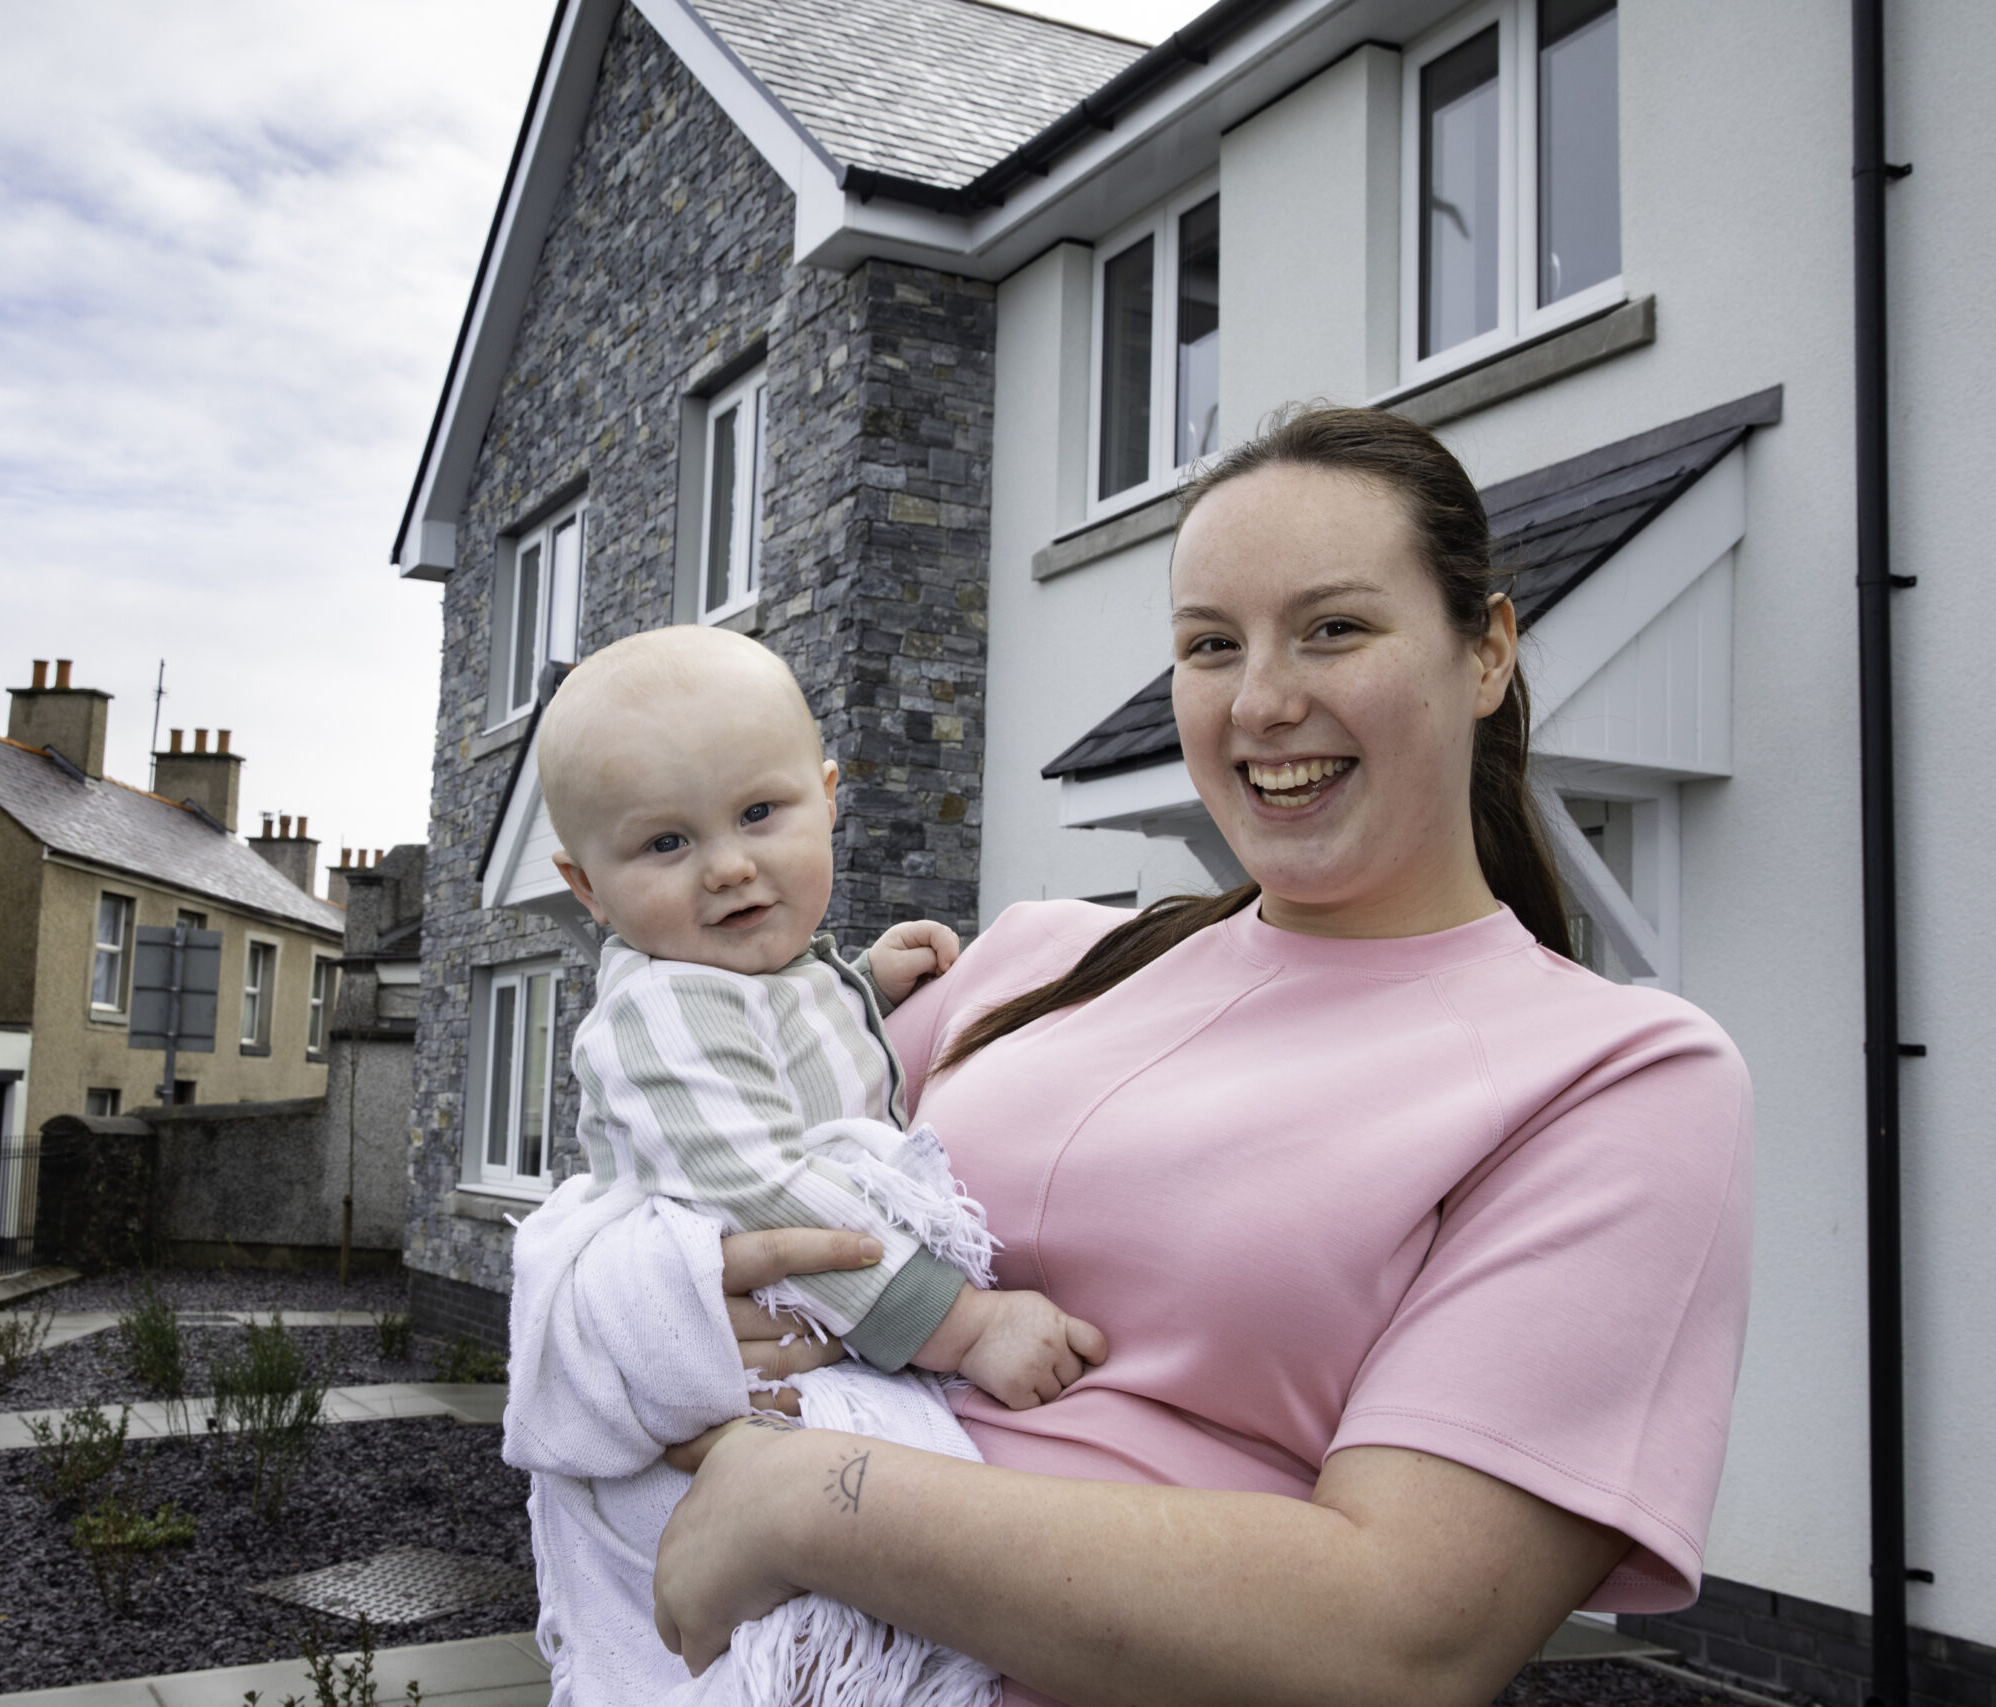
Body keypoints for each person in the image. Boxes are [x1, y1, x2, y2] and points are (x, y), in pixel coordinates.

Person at [639, 405, 1756, 1707]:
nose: (1265, 700)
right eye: (1210, 644)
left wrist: (816, 1497)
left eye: (1335, 627)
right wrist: (657, 1321)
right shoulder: (1027, 959)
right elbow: (676, 1195)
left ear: (1489, 648)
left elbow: (1404, 1631)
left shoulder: (1615, 1076)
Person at [503, 623, 1104, 1704]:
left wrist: (866, 984)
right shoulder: (657, 1010)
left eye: (757, 814)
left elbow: (792, 1055)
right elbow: (761, 1186)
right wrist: (966, 1326)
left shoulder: (775, 972)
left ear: (828, 795)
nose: (729, 865)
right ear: (584, 886)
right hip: (719, 1399)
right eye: (664, 845)